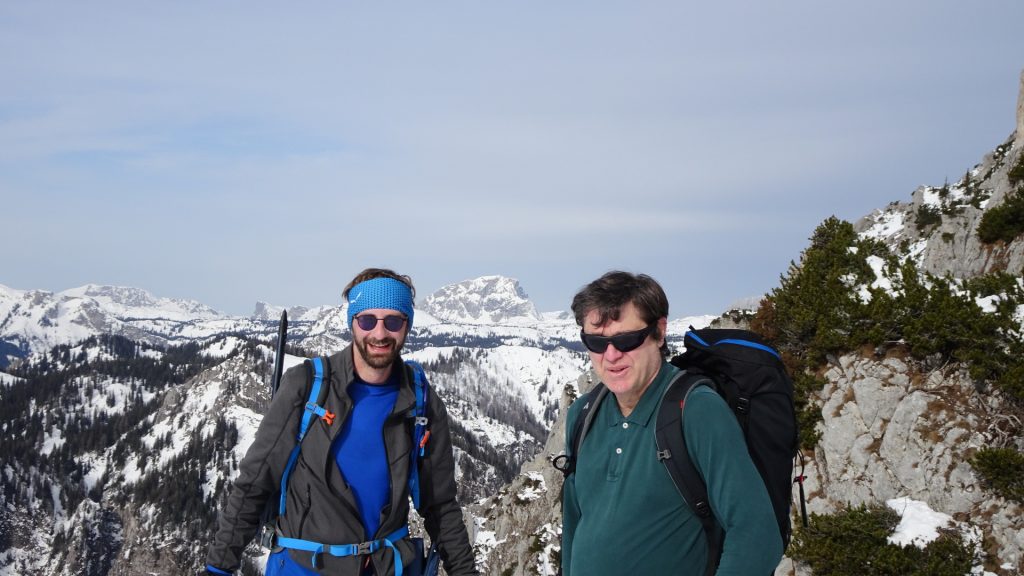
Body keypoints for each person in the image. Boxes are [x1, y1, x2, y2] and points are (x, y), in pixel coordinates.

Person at [206, 268, 477, 576]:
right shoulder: (307, 386)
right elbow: (255, 482)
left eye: (393, 321)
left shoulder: (420, 400)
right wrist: (218, 567)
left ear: (407, 326)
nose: (379, 333)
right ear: (353, 323)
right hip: (304, 566)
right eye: (367, 320)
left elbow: (440, 505)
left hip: (385, 568)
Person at [560, 271, 782, 575]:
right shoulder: (583, 414)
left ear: (659, 332)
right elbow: (574, 525)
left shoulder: (696, 410)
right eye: (596, 343)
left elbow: (756, 535)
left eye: (627, 339)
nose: (611, 356)